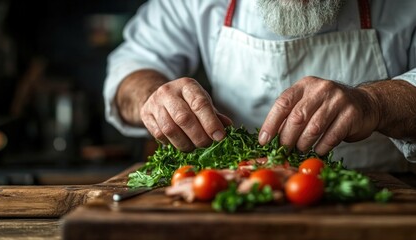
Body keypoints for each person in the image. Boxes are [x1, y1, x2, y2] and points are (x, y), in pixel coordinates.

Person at [103, 0, 416, 172]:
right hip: (233, 198)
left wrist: (374, 103)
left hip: (380, 196)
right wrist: (152, 96)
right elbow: (133, 65)